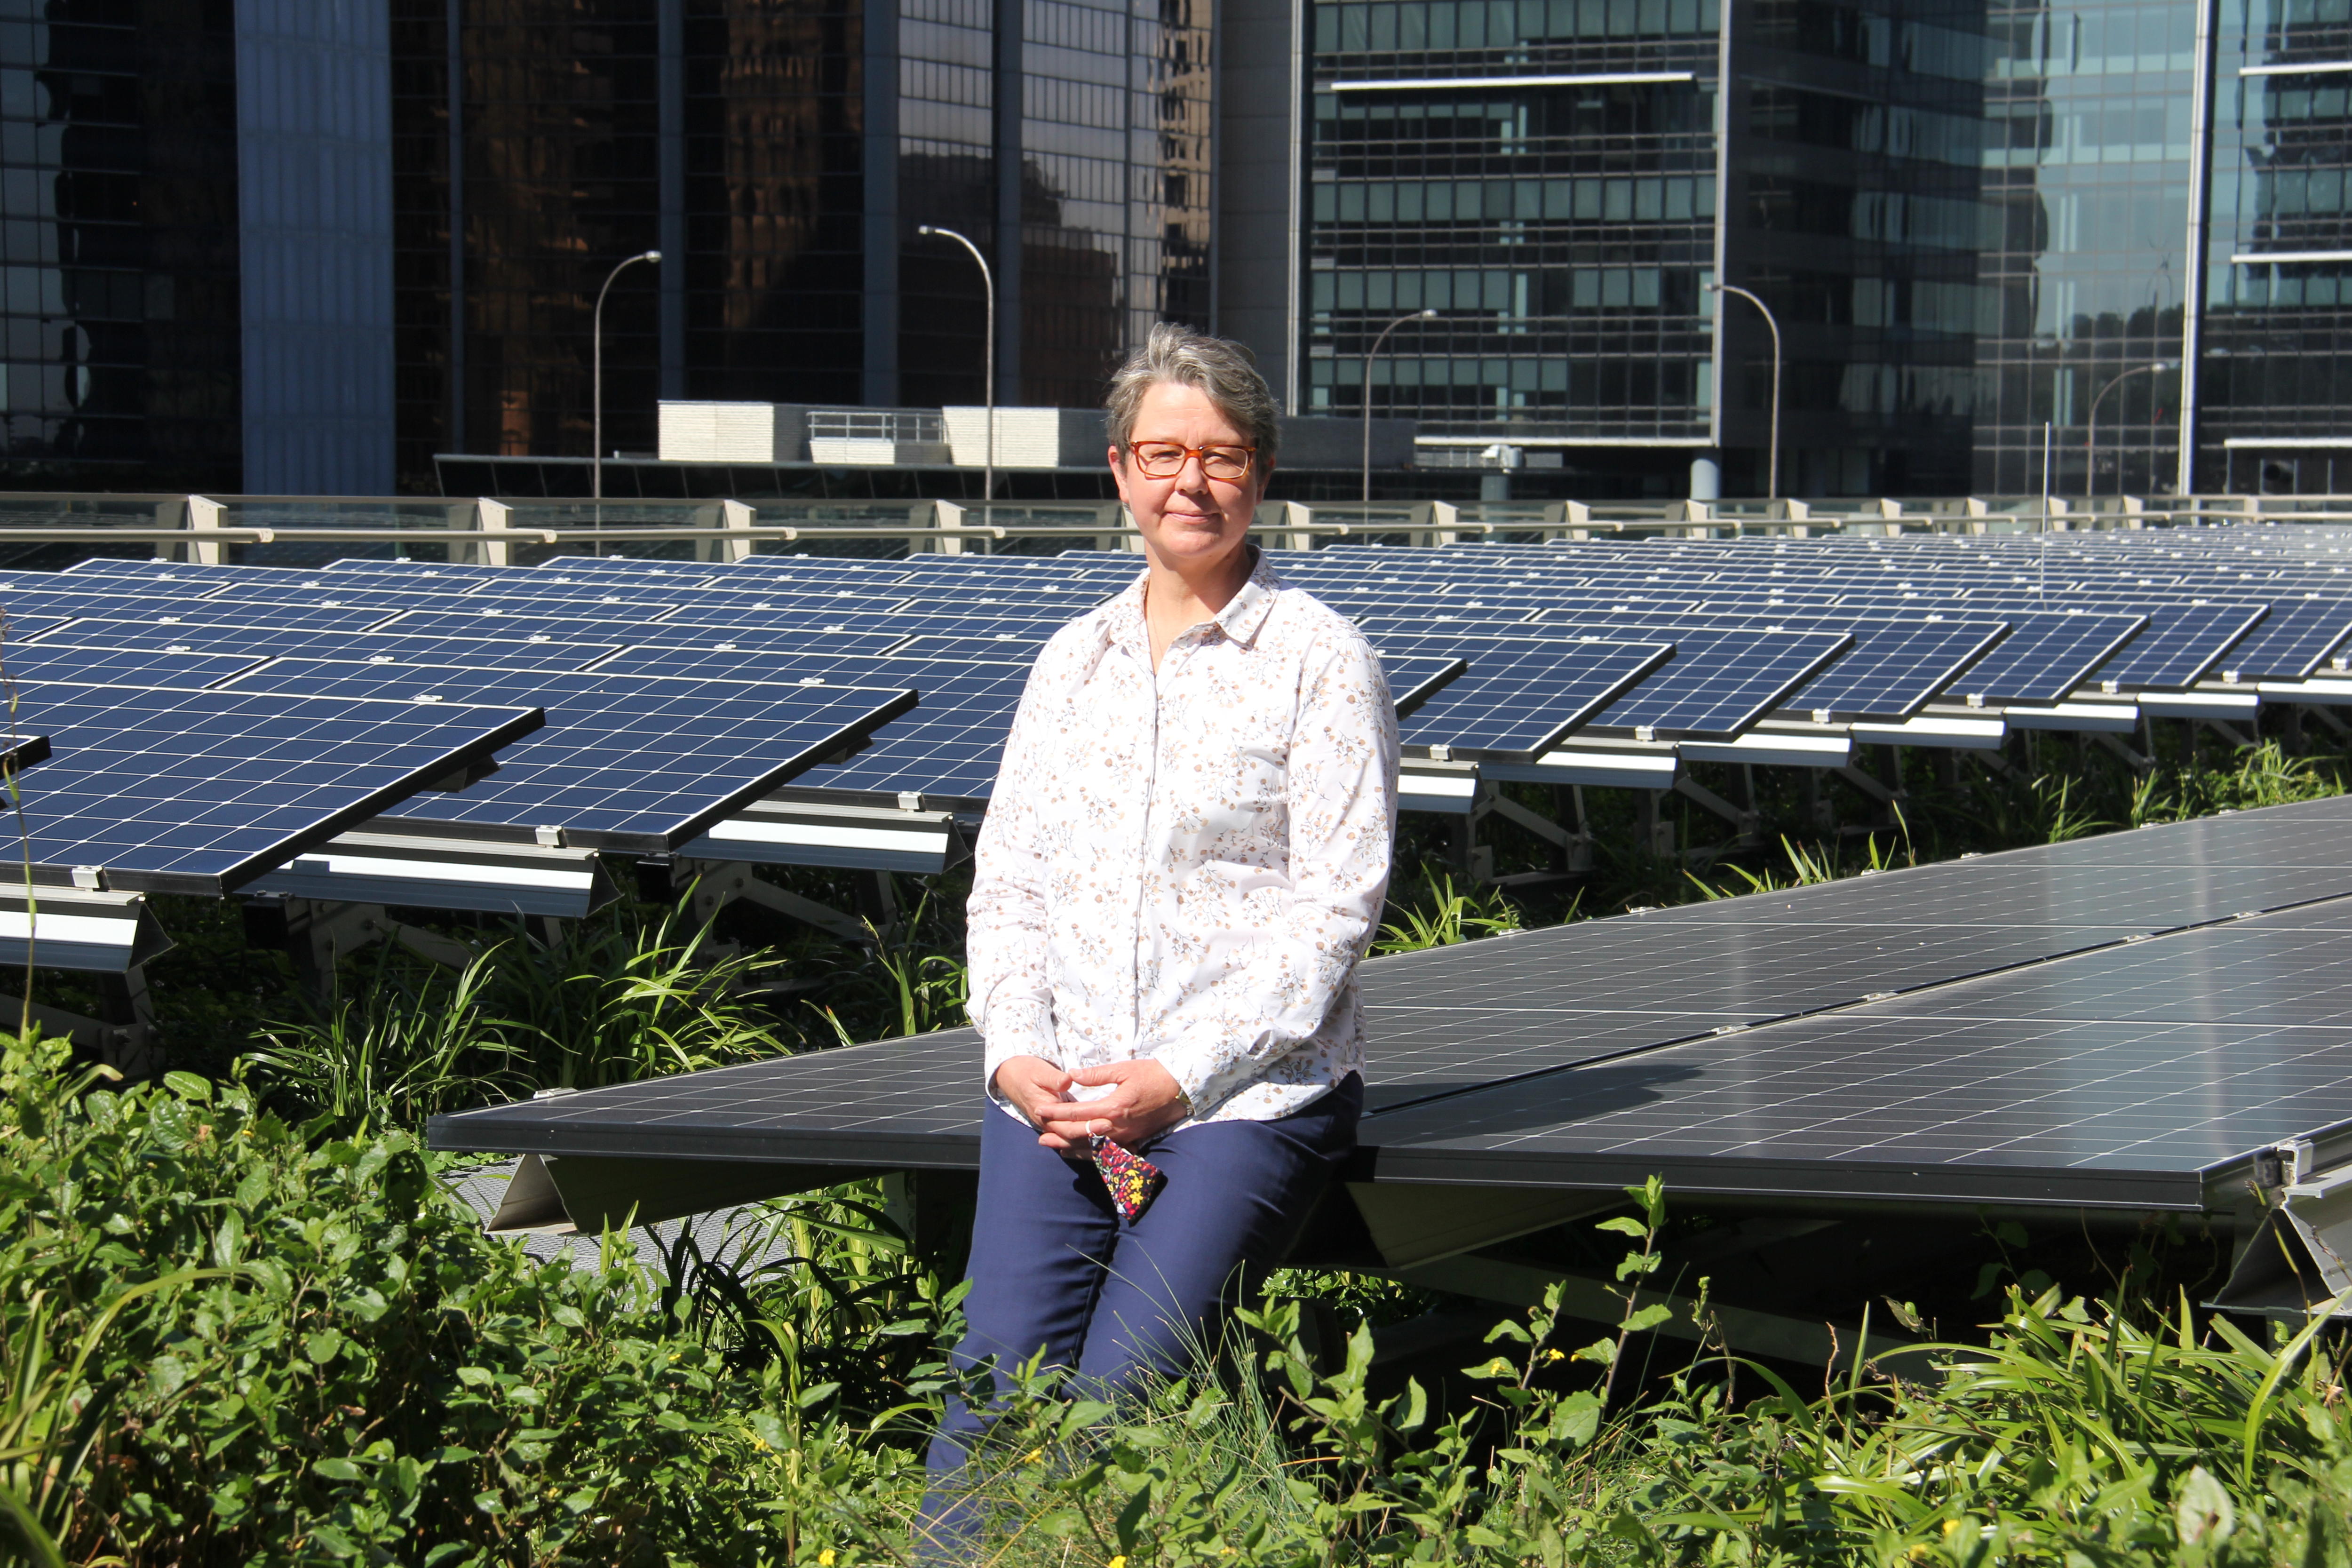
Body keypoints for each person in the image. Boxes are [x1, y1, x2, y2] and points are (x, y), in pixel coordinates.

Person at [921, 323, 1400, 1530]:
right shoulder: (1070, 660)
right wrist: (1013, 1056)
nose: (1192, 480)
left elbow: (1337, 905)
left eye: (1223, 455)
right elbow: (1010, 881)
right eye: (1163, 452)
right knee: (992, 1390)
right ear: (1121, 469)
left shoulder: (1317, 659)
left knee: (1122, 1394)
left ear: (1262, 471)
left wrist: (1177, 1076)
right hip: (1060, 1091)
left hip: (1247, 1098)